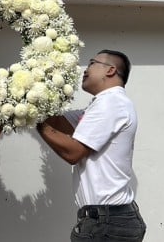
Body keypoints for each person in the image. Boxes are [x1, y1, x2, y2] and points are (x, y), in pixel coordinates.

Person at [37, 49, 146, 242]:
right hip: (106, 221)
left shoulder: (112, 103)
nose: (85, 70)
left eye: (92, 63)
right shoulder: (101, 104)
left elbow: (73, 152)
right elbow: (60, 124)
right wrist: (30, 98)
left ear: (110, 70)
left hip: (108, 224)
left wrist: (36, 121)